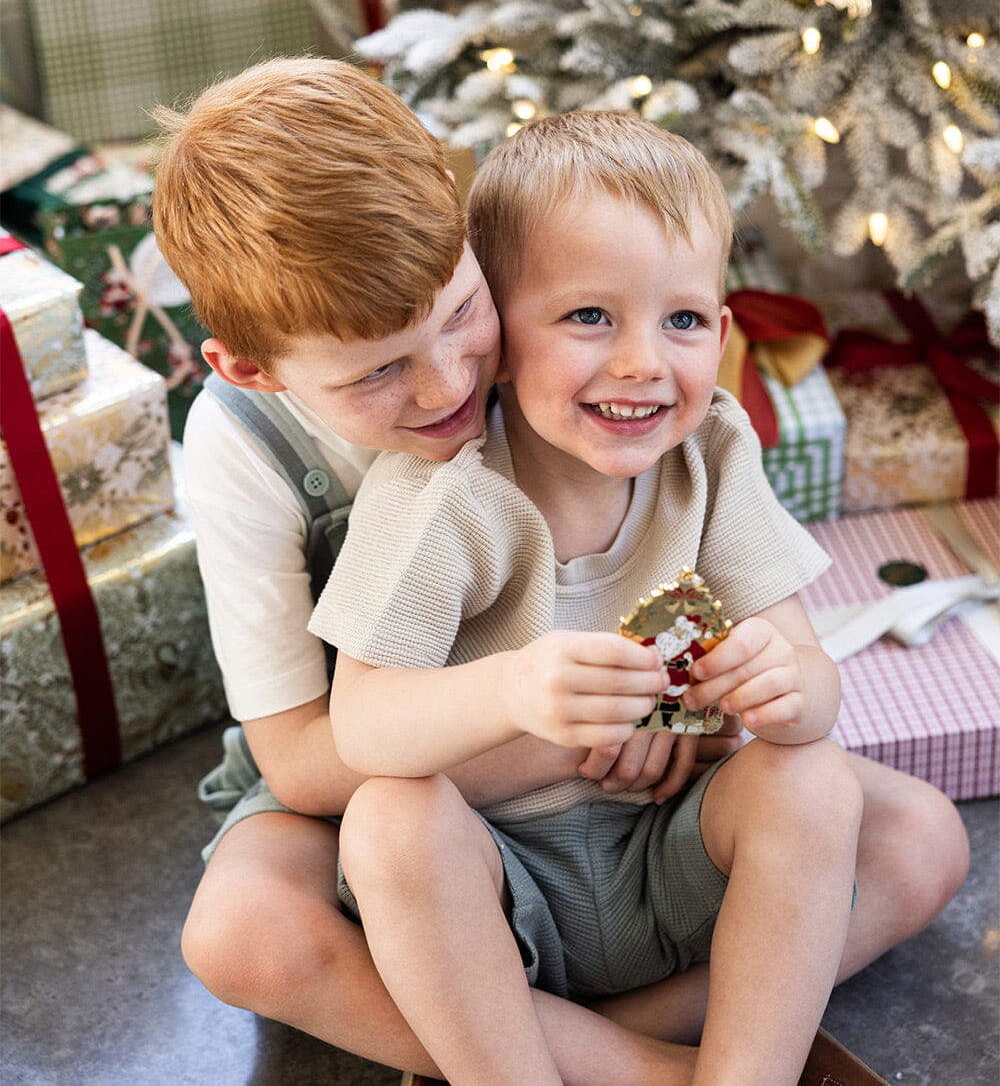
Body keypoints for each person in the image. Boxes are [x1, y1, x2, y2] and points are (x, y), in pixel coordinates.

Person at [309, 111, 971, 1085]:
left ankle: (717, 1069)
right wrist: (508, 691)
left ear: (722, 329)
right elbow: (360, 726)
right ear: (494, 331)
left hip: (669, 853)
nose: (641, 363)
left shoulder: (711, 449)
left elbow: (812, 684)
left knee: (840, 791)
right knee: (388, 824)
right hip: (498, 887)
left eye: (683, 319)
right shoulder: (443, 500)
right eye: (588, 316)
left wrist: (780, 683)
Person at [152, 57, 753, 1083]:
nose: (447, 385)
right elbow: (302, 759)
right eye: (376, 370)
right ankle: (640, 1060)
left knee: (915, 843)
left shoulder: (539, 328)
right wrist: (582, 729)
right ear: (249, 367)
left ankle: (538, 1018)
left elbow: (664, 517)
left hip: (605, 763)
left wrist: (678, 698)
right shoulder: (242, 446)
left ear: (469, 237)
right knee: (239, 935)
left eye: (463, 311)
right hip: (377, 784)